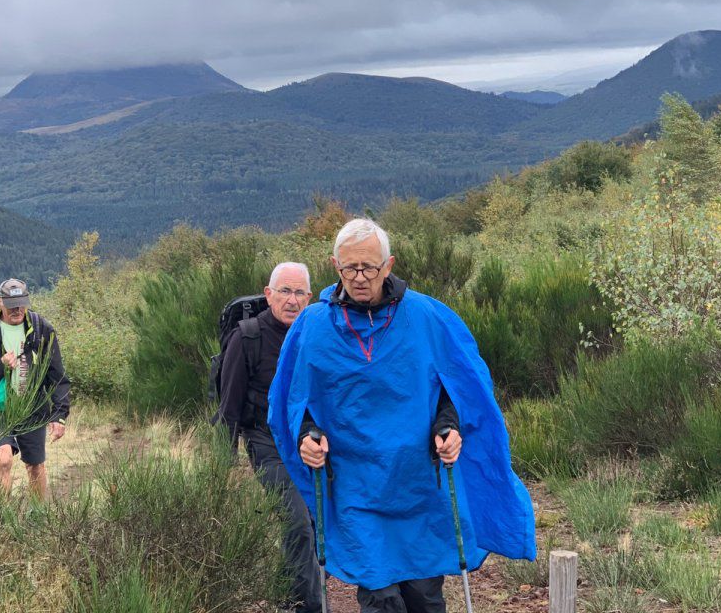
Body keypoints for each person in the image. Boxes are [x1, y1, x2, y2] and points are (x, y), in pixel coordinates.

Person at [268, 219, 536, 613]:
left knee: (423, 595)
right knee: (379, 596)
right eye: (349, 269)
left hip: (417, 484)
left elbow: (458, 388)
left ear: (388, 265)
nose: (359, 278)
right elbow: (293, 400)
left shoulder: (427, 317)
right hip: (356, 484)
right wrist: (306, 435)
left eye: (369, 268)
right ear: (334, 266)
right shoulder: (313, 327)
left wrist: (449, 426)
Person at [218, 262, 325, 613]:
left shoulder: (315, 336)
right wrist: (221, 466)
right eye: (284, 291)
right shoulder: (247, 336)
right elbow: (229, 405)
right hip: (264, 442)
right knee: (298, 522)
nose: (291, 300)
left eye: (298, 293)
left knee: (309, 523)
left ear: (309, 297)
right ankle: (310, 607)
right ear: (269, 294)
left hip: (309, 443)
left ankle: (287, 597)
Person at [0, 278, 70, 500]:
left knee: (35, 466)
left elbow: (57, 376)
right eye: (12, 304)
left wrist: (59, 415)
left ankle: (37, 517)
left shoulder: (42, 328)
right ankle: (2, 518)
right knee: (3, 459)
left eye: (22, 303)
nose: (18, 309)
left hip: (32, 408)